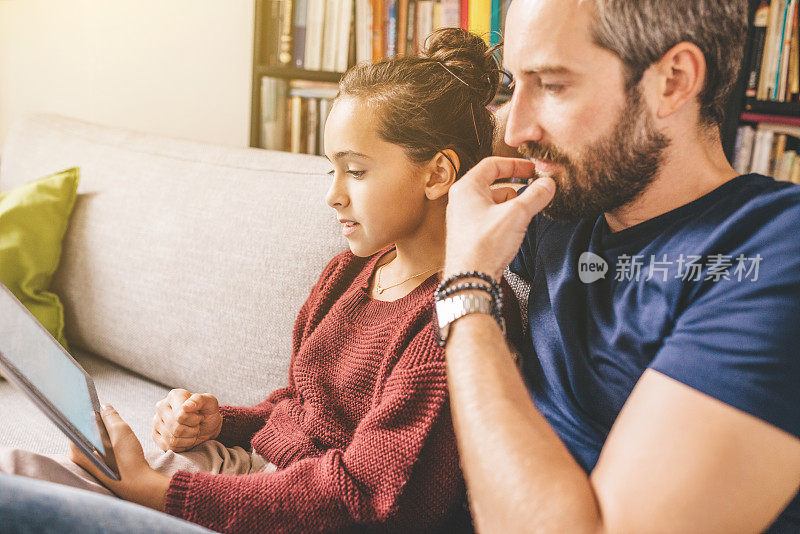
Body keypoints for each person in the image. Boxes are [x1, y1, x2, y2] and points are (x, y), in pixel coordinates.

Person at [0, 28, 521, 533]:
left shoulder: (452, 318)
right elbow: (298, 407)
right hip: (254, 481)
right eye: (330, 171)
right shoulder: (350, 274)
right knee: (22, 473)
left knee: (22, 488)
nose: (333, 195)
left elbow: (361, 496)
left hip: (300, 512)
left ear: (437, 174)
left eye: (356, 171)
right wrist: (219, 423)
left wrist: (153, 492)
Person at [436, 0, 800, 532]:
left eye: (553, 85)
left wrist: (466, 291)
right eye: (515, 83)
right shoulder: (562, 204)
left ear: (673, 81)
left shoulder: (771, 251)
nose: (515, 129)